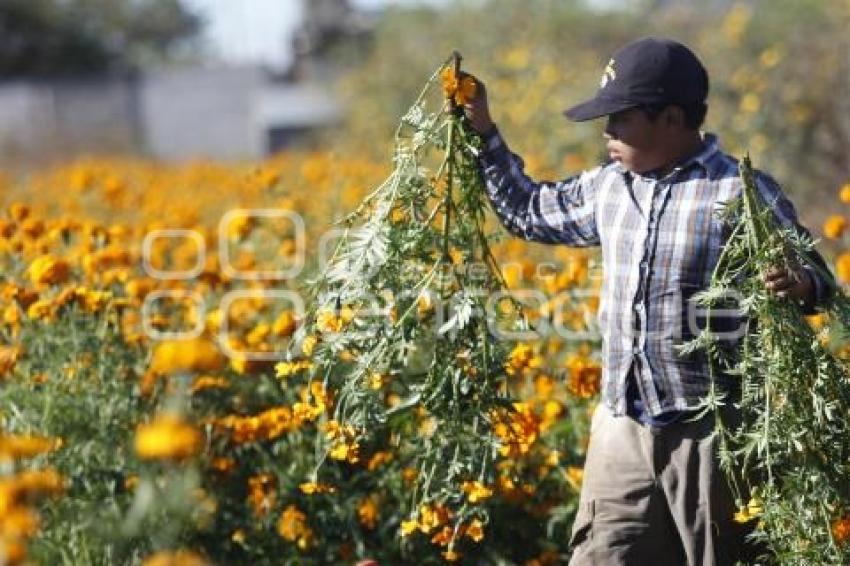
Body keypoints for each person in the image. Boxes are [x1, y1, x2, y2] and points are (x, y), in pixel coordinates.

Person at [462, 36, 835, 565]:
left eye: (621, 118)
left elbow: (816, 277)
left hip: (713, 437)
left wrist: (798, 283)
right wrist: (483, 131)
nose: (608, 132)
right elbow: (525, 209)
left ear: (673, 119)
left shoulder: (739, 193)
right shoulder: (610, 187)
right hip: (622, 427)